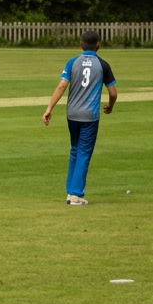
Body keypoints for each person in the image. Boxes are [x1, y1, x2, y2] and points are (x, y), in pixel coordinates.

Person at [42, 31, 118, 206]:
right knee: (84, 152)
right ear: (98, 45)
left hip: (72, 114)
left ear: (81, 44)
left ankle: (70, 191)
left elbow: (62, 86)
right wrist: (110, 106)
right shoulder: (103, 64)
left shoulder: (72, 62)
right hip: (89, 116)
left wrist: (49, 108)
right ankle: (76, 194)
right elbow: (113, 93)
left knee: (75, 150)